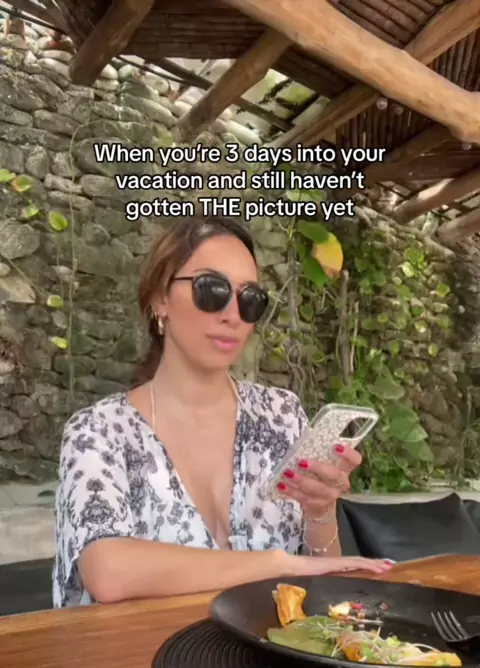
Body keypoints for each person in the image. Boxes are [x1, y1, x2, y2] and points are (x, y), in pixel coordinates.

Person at [53, 216, 391, 608]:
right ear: (160, 298)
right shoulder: (99, 431)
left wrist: (320, 511)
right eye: (212, 290)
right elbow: (108, 571)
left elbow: (321, 589)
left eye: (250, 299)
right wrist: (274, 564)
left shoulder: (280, 416)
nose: (233, 314)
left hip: (265, 646)